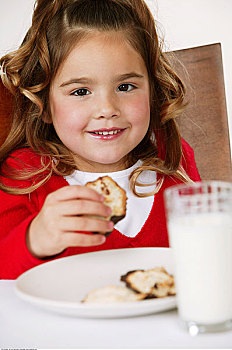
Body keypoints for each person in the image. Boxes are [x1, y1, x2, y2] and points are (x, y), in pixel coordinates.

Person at [0, 0, 200, 279]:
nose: (107, 109)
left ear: (152, 91)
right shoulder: (24, 174)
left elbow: (206, 261)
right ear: (44, 104)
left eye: (125, 87)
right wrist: (35, 239)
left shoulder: (175, 162)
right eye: (81, 92)